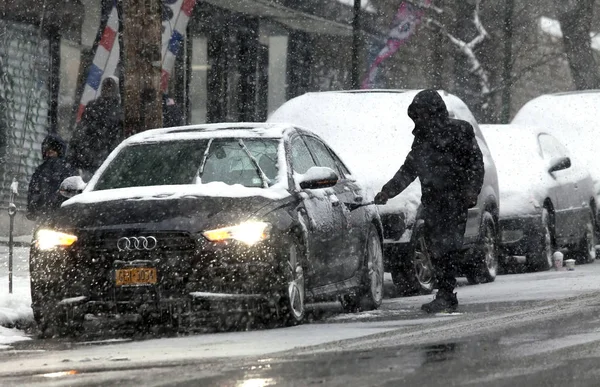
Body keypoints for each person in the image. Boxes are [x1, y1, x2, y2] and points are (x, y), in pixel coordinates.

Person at [374, 89, 484, 314]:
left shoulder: (460, 131)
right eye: (416, 116)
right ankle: (445, 294)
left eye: (422, 114)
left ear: (434, 112)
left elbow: (476, 164)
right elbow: (408, 170)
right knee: (435, 249)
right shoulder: (421, 139)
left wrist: (471, 191)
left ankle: (445, 293)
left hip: (456, 200)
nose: (419, 119)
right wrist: (388, 191)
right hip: (433, 202)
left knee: (448, 247)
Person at [68, 76, 123, 178]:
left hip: (100, 159)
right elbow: (81, 131)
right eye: (106, 87)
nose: (107, 90)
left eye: (110, 87)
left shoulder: (117, 112)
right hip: (91, 159)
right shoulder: (94, 107)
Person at [27, 134, 76, 222]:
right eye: (47, 149)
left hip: (57, 215)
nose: (49, 152)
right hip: (45, 215)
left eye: (53, 149)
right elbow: (33, 190)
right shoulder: (41, 170)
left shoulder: (65, 169)